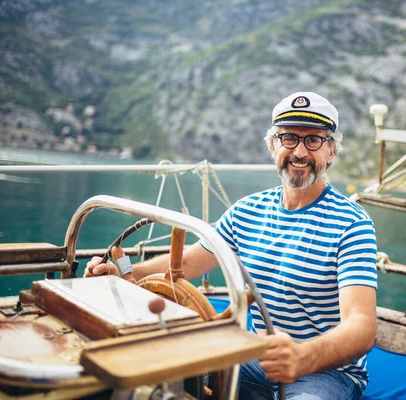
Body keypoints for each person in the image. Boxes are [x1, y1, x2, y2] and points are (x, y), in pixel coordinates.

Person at [85, 91, 378, 400]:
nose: (300, 152)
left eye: (313, 141)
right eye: (289, 138)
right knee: (152, 375)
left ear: (331, 152)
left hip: (324, 373)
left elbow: (360, 325)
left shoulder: (352, 224)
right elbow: (185, 265)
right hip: (251, 355)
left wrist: (306, 356)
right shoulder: (247, 210)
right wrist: (122, 273)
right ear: (273, 146)